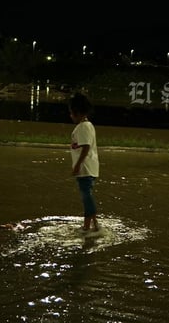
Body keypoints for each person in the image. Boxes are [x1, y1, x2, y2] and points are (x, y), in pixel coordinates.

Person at [68, 92, 100, 233]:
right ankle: (94, 224)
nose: (70, 116)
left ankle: (88, 226)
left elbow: (86, 147)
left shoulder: (83, 127)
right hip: (88, 167)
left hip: (85, 168)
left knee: (86, 196)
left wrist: (77, 166)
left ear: (78, 113)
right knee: (86, 195)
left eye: (72, 113)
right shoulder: (87, 125)